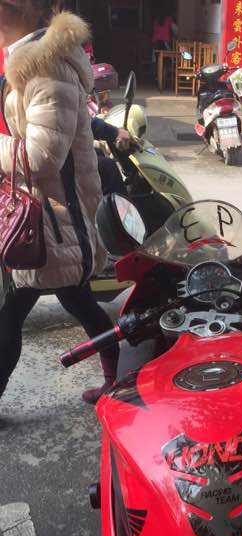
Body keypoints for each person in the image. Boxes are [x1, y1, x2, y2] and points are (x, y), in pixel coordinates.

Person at [0, 0, 119, 406]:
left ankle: (116, 375)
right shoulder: (25, 59)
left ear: (23, 9)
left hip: (53, 220)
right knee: (75, 299)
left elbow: (42, 157)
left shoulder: (46, 67)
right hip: (43, 215)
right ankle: (116, 374)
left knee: (12, 310)